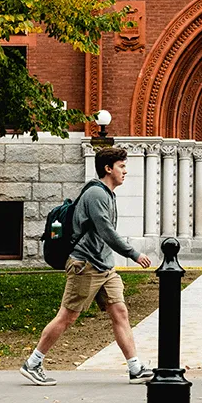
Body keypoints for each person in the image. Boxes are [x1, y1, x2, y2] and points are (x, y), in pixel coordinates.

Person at [20, 147, 154, 386]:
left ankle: (135, 368)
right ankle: (33, 363)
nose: (125, 172)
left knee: (119, 312)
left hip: (103, 265)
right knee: (67, 316)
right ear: (108, 168)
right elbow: (106, 232)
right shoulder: (96, 194)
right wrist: (133, 254)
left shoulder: (108, 194)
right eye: (121, 167)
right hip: (86, 264)